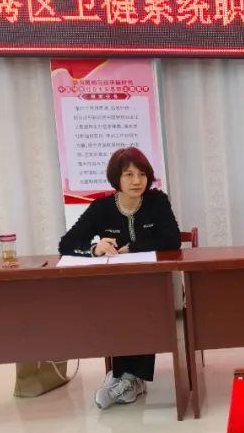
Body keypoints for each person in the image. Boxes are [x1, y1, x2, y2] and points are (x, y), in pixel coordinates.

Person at [58, 147, 182, 410]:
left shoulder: (157, 202)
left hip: (155, 283)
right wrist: (95, 248)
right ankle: (128, 377)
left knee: (141, 304)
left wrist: (131, 248)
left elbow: (172, 239)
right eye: (129, 175)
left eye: (142, 174)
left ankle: (125, 377)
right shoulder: (101, 208)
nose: (137, 181)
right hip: (116, 287)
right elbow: (67, 244)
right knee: (120, 306)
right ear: (117, 178)